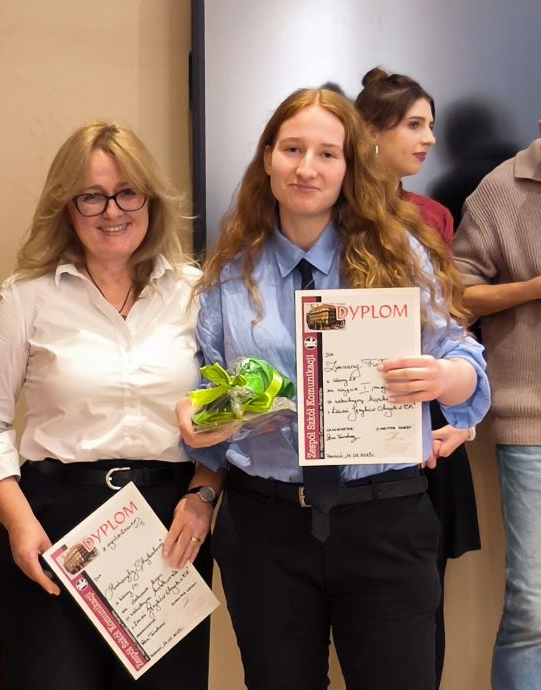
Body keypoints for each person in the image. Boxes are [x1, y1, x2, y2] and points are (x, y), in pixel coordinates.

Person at [179, 88, 489, 690]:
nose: (307, 168)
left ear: (350, 168)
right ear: (267, 157)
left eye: (328, 153)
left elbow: (464, 361)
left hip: (385, 521)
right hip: (265, 530)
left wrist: (445, 378)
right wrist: (200, 417)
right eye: (292, 149)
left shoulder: (399, 257)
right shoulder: (230, 274)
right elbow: (212, 396)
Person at [0, 121, 216, 690]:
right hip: (54, 527)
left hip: (169, 526)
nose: (112, 211)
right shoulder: (28, 297)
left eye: (128, 193)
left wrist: (206, 493)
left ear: (151, 200)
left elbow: (226, 413)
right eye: (92, 196)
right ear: (67, 206)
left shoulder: (196, 294)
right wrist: (19, 524)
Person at [355, 66, 481, 686]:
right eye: (414, 124)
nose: (429, 138)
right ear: (370, 133)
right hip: (356, 426)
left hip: (432, 419)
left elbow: (451, 324)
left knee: (422, 599)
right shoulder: (323, 215)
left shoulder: (431, 215)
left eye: (431, 124)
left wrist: (463, 415)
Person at [452, 122, 541, 690]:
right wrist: (534, 287)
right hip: (532, 424)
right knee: (534, 608)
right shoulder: (500, 189)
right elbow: (456, 296)